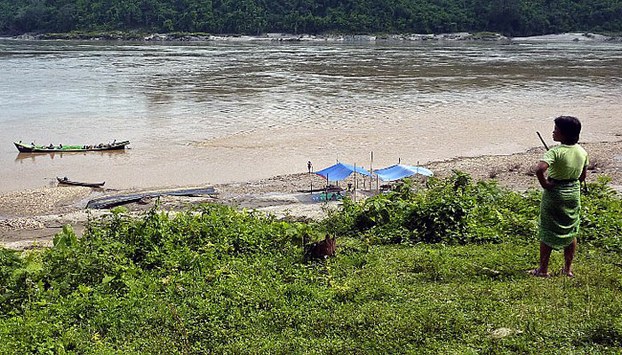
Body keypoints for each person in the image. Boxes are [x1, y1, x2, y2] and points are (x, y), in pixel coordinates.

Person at [531, 116, 588, 278]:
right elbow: (582, 177)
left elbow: (540, 169)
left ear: (564, 134)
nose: (553, 131)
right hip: (573, 194)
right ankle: (568, 269)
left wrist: (546, 185)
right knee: (571, 230)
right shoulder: (582, 151)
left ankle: (543, 270)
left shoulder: (554, 152)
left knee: (547, 230)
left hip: (554, 194)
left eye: (556, 129)